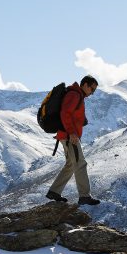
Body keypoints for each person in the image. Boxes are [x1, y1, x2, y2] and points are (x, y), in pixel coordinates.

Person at [46, 75, 100, 205]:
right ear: (85, 85)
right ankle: (84, 196)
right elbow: (65, 113)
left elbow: (71, 114)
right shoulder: (75, 95)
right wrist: (71, 132)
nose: (92, 93)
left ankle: (54, 191)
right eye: (92, 89)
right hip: (70, 136)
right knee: (80, 164)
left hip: (66, 135)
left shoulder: (77, 95)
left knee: (71, 164)